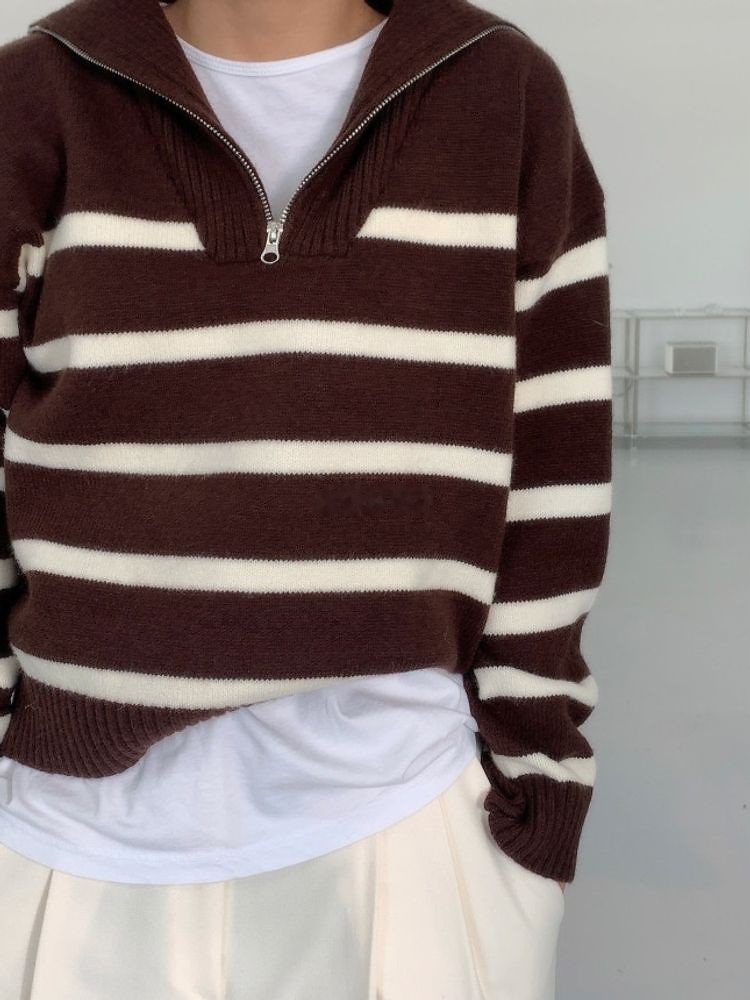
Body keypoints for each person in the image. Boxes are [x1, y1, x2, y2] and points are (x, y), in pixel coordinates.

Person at [0, 0, 612, 996]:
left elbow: (555, 458)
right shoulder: (36, 91)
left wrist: (540, 788)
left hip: (410, 828)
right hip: (64, 837)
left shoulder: (502, 91)